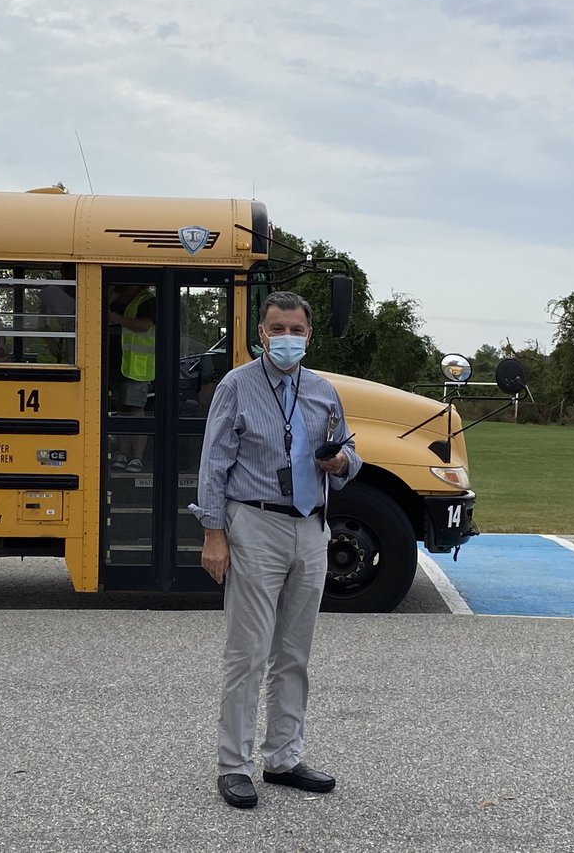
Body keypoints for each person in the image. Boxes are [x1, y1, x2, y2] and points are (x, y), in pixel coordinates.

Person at [196, 290, 361, 809]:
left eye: (296, 329)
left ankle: (284, 757)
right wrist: (214, 534)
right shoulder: (236, 386)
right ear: (261, 334)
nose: (287, 337)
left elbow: (350, 452)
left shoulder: (323, 391)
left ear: (309, 335)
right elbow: (214, 462)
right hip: (255, 524)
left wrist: (342, 464)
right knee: (247, 654)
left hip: (311, 528)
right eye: (277, 329)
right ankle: (234, 765)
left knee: (294, 653)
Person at [108, 284, 156, 471]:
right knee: (121, 411)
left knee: (135, 410)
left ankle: (137, 457)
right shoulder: (116, 299)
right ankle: (122, 453)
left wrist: (118, 319)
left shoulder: (147, 300)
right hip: (116, 365)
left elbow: (146, 325)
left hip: (137, 366)